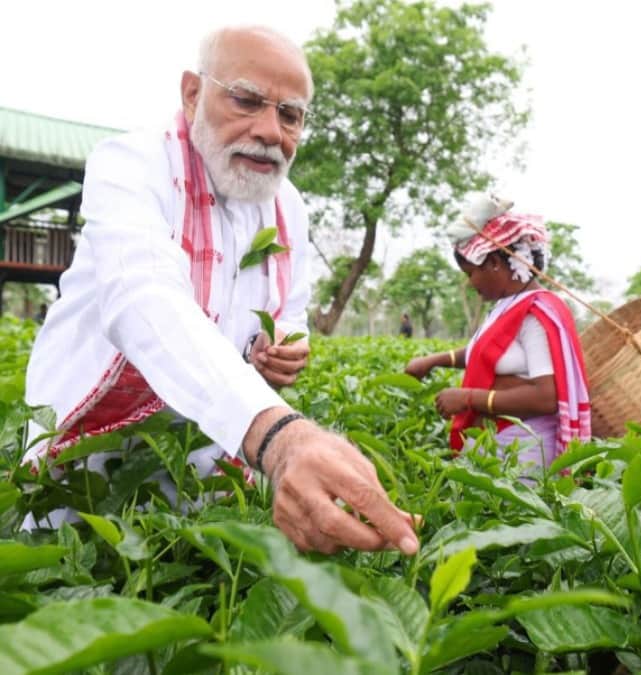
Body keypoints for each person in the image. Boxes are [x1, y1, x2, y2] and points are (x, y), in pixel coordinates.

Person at [20, 26, 420, 556]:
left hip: (207, 469)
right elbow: (143, 296)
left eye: (290, 115)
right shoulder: (133, 165)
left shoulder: (288, 207)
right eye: (247, 100)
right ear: (192, 93)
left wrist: (286, 350)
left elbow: (290, 309)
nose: (270, 131)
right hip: (90, 464)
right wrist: (280, 437)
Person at [404, 194, 590, 471]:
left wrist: (468, 397)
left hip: (527, 451)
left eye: (471, 273)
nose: (470, 283)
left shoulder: (534, 314)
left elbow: (546, 397)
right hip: (502, 446)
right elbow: (488, 354)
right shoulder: (508, 306)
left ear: (493, 263)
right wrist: (433, 361)